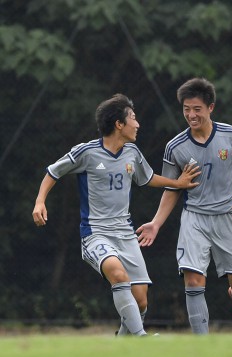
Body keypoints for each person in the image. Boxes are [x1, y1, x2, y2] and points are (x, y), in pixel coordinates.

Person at [32, 93, 200, 336]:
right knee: (118, 275)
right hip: (95, 235)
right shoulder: (87, 152)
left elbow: (148, 178)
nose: (138, 124)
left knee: (141, 299)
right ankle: (141, 338)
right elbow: (53, 172)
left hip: (125, 234)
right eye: (132, 118)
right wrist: (39, 202)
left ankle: (122, 344)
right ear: (118, 124)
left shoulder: (132, 152)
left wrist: (179, 182)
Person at [136, 78, 232, 334]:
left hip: (229, 217)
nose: (191, 115)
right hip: (195, 219)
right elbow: (173, 187)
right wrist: (156, 223)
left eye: (197, 109)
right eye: (186, 109)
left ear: (210, 108)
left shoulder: (231, 136)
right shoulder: (175, 147)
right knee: (193, 279)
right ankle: (201, 344)